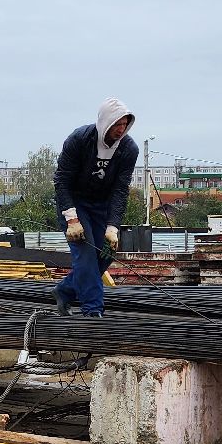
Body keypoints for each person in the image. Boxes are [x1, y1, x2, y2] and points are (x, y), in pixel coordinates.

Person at [53, 99, 137, 316]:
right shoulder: (79, 139)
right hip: (75, 203)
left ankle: (65, 290)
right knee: (86, 254)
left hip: (103, 205)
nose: (121, 130)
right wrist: (71, 219)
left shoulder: (129, 149)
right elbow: (62, 180)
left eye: (124, 125)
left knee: (107, 252)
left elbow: (120, 189)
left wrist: (113, 227)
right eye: (116, 124)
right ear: (105, 122)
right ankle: (93, 311)